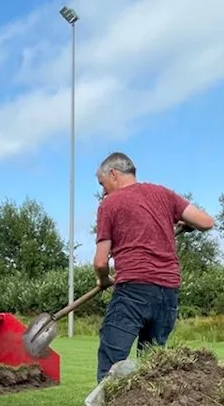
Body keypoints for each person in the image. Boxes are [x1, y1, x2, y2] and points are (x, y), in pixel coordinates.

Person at [92, 151, 215, 382]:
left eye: (102, 184)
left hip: (132, 291)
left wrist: (104, 279)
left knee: (112, 362)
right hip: (168, 292)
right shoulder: (163, 194)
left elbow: (100, 262)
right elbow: (206, 222)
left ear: (113, 173)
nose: (103, 191)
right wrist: (183, 220)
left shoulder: (110, 204)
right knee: (152, 368)